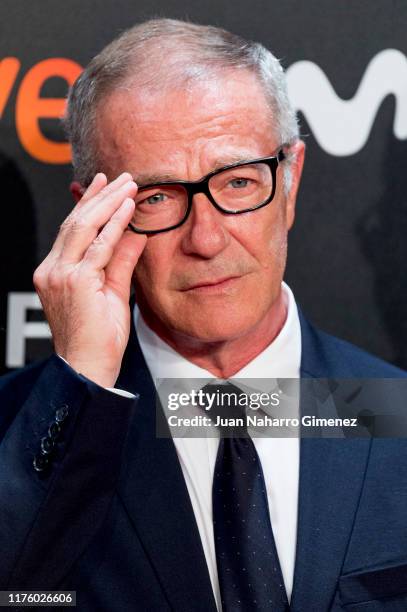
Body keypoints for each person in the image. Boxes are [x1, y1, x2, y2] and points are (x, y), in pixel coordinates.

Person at [1, 18, 407, 612]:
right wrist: (83, 383)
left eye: (240, 182)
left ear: (290, 182)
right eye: (158, 197)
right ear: (93, 214)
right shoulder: (22, 431)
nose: (207, 239)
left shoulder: (389, 411)